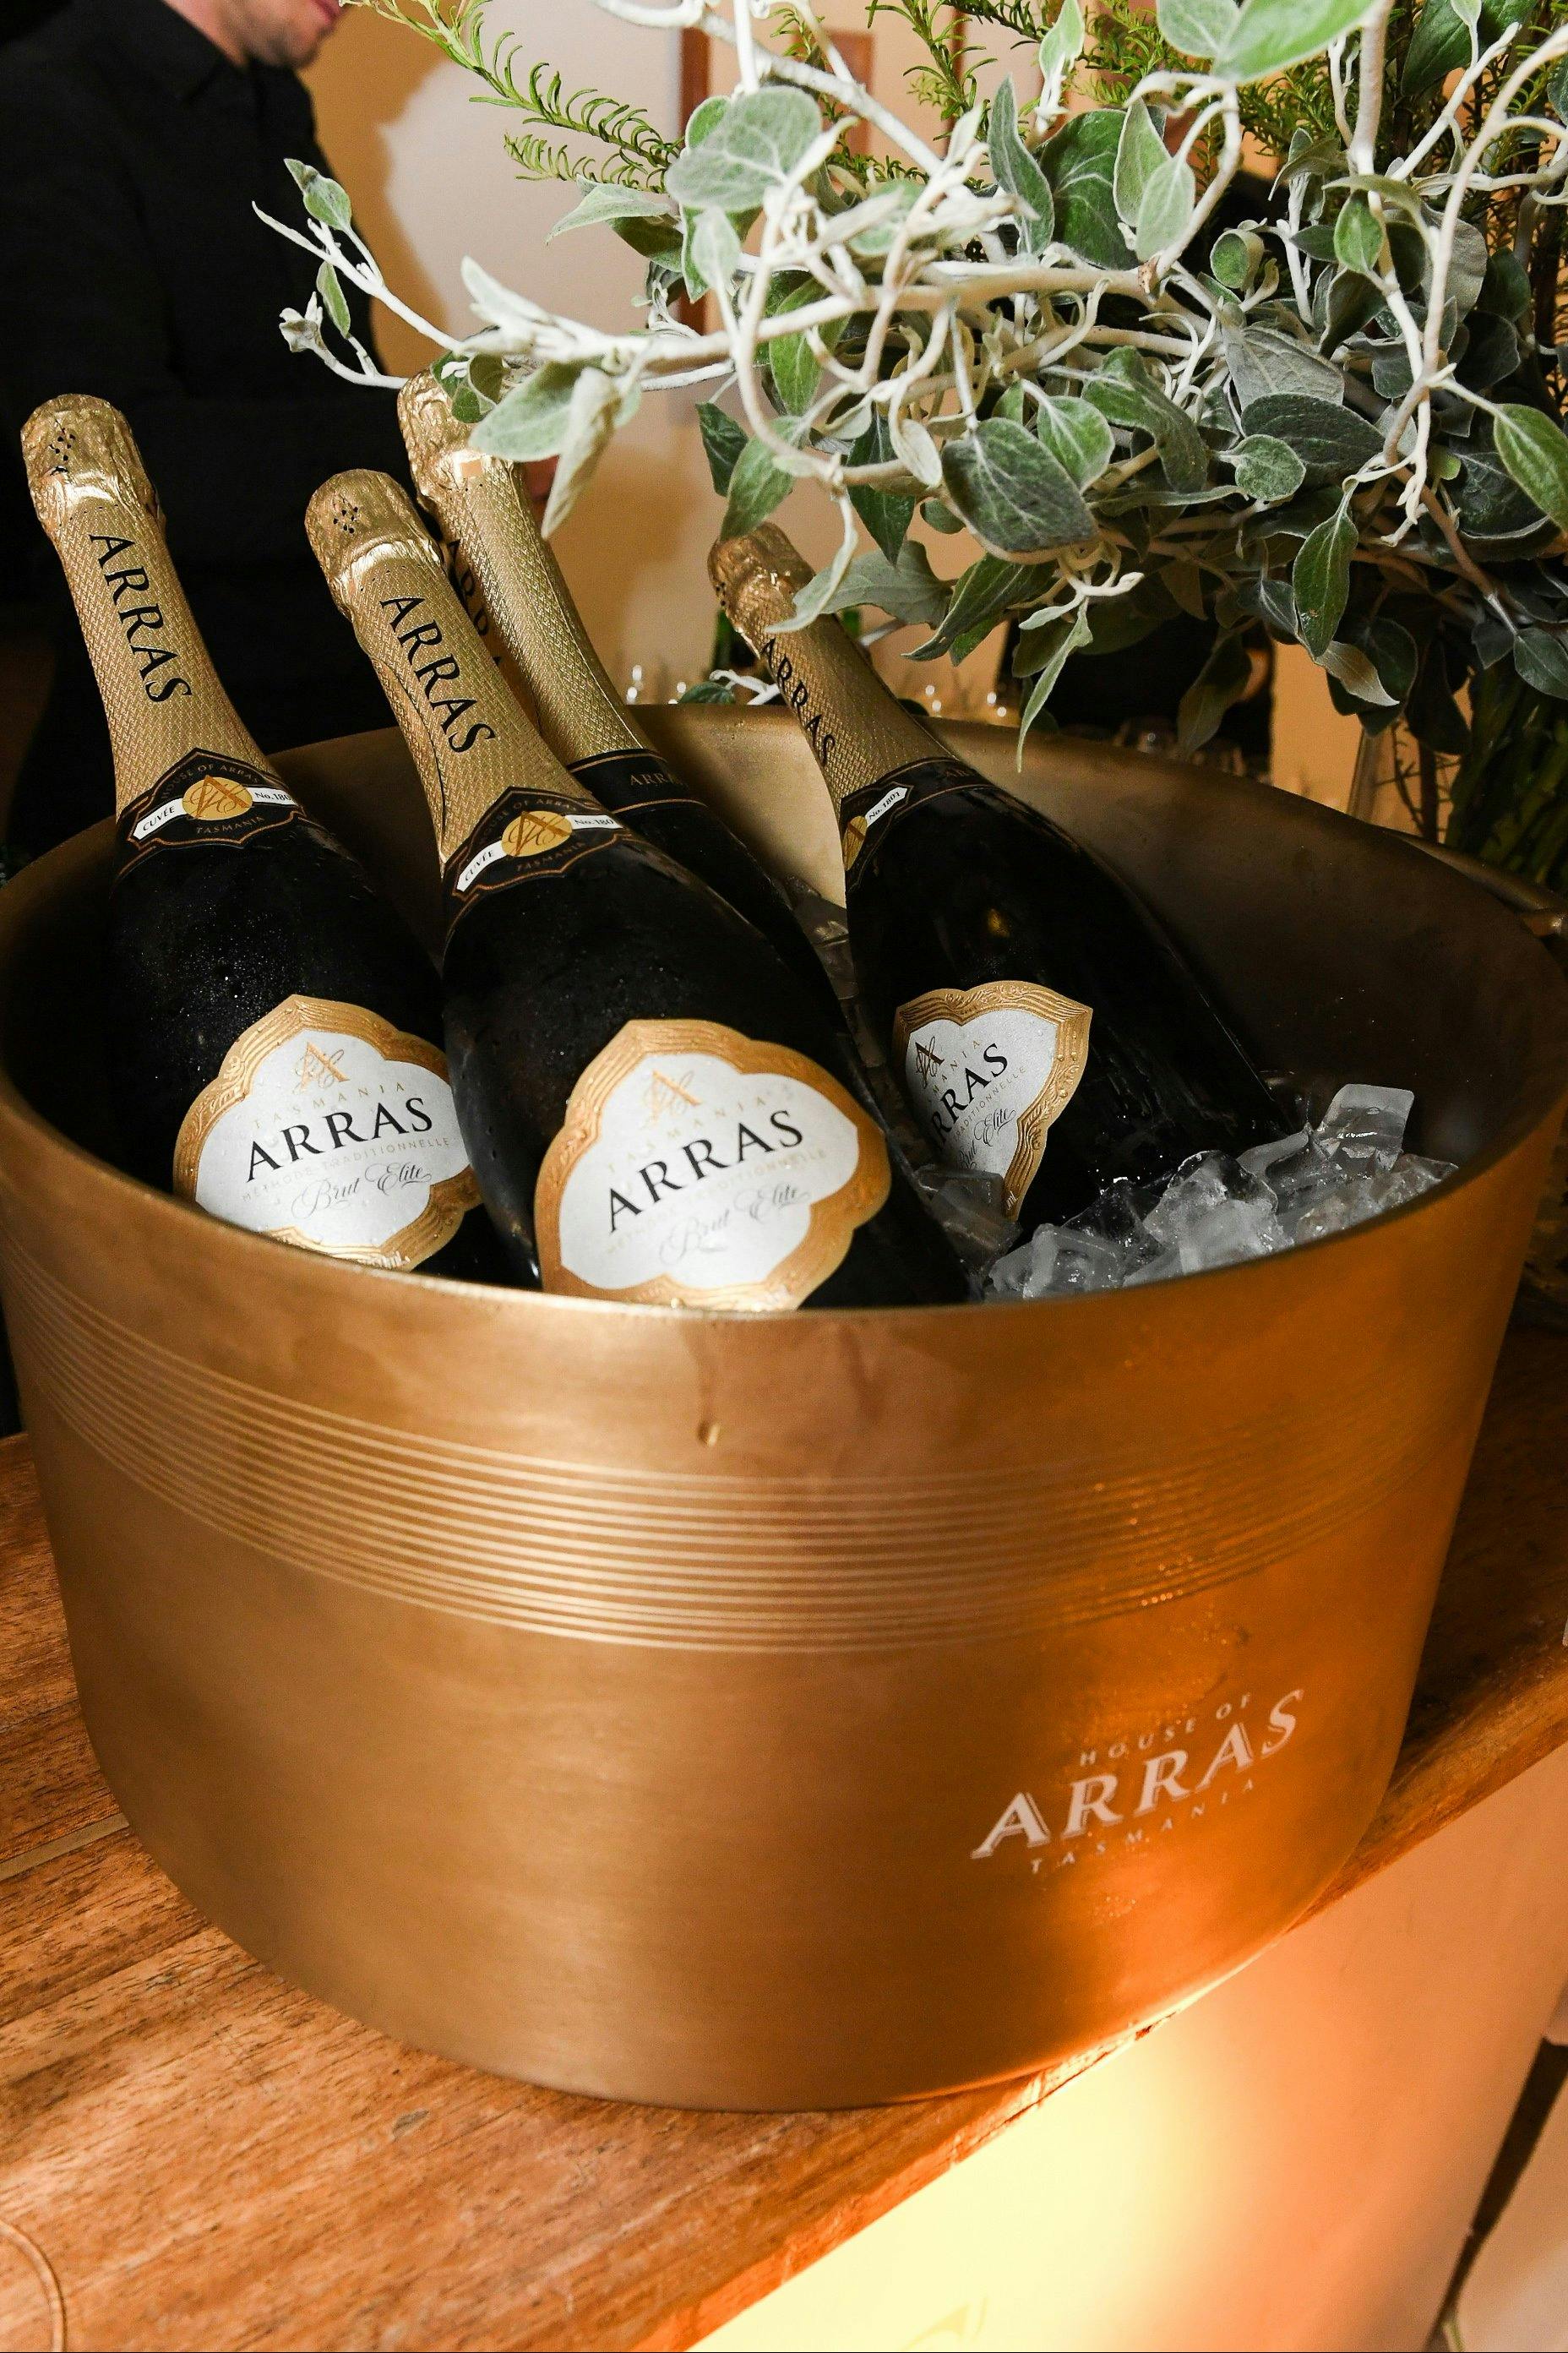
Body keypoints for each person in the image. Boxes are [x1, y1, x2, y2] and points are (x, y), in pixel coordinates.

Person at [0, 0, 411, 858]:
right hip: (173, 803)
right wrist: (419, 441)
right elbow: (118, 465)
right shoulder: (46, 101)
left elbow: (330, 392)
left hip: (358, 754)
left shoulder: (273, 103)